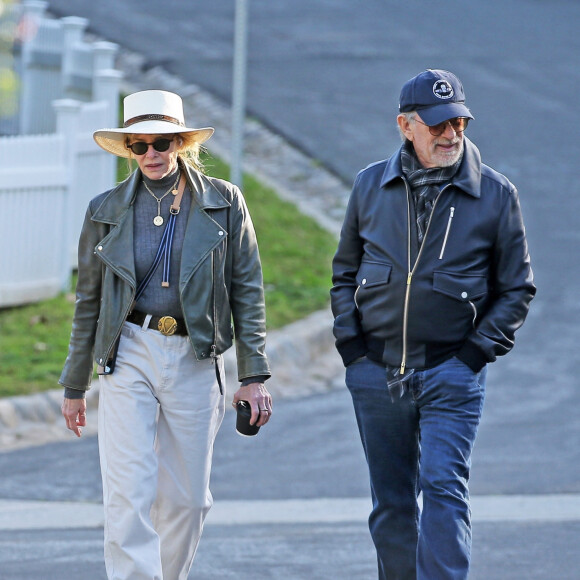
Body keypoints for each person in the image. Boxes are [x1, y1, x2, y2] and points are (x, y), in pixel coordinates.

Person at [330, 69, 535, 580]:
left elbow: (517, 289)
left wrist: (473, 356)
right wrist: (352, 347)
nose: (452, 134)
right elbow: (343, 273)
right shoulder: (369, 186)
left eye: (459, 122)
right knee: (392, 504)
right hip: (376, 372)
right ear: (407, 125)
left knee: (443, 485)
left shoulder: (496, 195)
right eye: (439, 125)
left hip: (451, 372)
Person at [60, 89, 272, 580]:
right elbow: (87, 300)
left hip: (196, 354)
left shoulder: (224, 202)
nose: (151, 154)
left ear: (181, 142)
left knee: (188, 500)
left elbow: (248, 287)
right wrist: (75, 386)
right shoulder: (104, 210)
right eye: (139, 144)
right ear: (129, 148)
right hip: (128, 350)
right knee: (128, 491)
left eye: (162, 142)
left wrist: (254, 372)